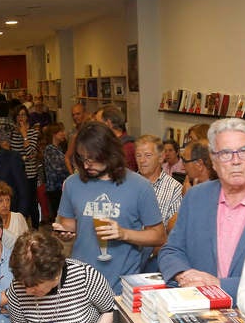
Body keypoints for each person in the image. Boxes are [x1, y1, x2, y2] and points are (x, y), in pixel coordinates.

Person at [159, 118, 245, 301]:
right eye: (226, 153)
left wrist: (218, 285)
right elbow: (171, 250)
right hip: (195, 309)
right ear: (213, 161)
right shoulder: (195, 197)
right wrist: (185, 276)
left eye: (244, 152)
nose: (235, 161)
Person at [53, 121, 164, 293]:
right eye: (82, 158)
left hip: (121, 286)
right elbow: (69, 225)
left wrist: (124, 233)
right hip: (81, 283)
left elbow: (159, 236)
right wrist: (64, 233)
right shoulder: (72, 184)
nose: (86, 165)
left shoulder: (139, 186)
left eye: (92, 158)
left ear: (110, 153)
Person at [134, 135, 182, 270]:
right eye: (138, 155)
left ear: (161, 158)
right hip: (126, 252)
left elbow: (173, 233)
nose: (142, 160)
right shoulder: (126, 184)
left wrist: (148, 255)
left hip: (155, 257)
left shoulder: (174, 188)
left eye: (148, 155)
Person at [7, 105, 40, 227]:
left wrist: (24, 135)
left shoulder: (33, 132)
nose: (21, 117)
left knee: (32, 202)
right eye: (18, 115)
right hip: (17, 173)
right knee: (19, 201)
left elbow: (30, 152)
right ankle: (20, 227)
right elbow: (13, 154)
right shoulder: (13, 133)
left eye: (23, 115)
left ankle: (36, 228)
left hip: (30, 173)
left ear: (27, 117)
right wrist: (25, 157)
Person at [94, 104, 136, 172]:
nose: (95, 127)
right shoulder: (109, 143)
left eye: (98, 123)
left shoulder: (126, 148)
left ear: (108, 123)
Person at [43, 122, 69, 223]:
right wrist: (70, 171)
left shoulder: (60, 149)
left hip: (60, 187)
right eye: (60, 132)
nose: (63, 133)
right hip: (55, 188)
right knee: (58, 218)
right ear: (54, 134)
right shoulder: (49, 149)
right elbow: (57, 168)